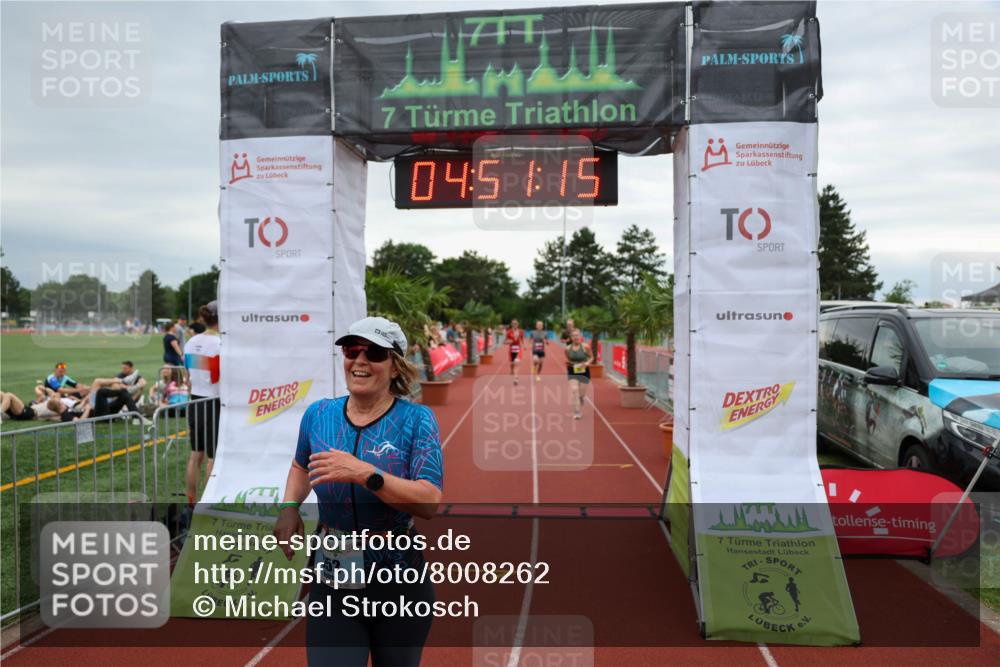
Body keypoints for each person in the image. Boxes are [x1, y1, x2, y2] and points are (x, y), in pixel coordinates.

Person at [273, 316, 443, 667]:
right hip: (334, 578)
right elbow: (301, 466)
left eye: (375, 353)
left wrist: (366, 474)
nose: (360, 361)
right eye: (352, 350)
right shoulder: (319, 414)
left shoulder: (417, 420)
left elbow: (429, 501)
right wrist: (289, 506)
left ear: (395, 365)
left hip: (399, 580)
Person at [183, 301, 221, 506]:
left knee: (195, 455)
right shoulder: (219, 343)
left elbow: (187, 378)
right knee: (213, 457)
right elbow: (220, 377)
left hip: (195, 400)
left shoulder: (191, 342)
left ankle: (191, 501)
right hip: (213, 402)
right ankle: (208, 503)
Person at [565, 329, 594, 419]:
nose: (575, 337)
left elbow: (592, 357)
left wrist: (587, 363)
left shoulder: (585, 347)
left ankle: (581, 398)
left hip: (584, 371)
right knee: (575, 390)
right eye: (573, 335)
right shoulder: (567, 348)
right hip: (572, 371)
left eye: (577, 335)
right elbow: (567, 359)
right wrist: (569, 363)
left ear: (580, 336)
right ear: (571, 337)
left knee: (581, 394)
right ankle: (577, 412)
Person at [505, 319, 525, 385]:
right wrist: (509, 342)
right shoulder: (509, 332)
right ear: (511, 324)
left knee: (517, 362)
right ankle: (511, 369)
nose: (515, 325)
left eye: (516, 323)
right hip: (511, 350)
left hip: (518, 349)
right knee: (512, 364)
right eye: (513, 323)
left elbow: (522, 339)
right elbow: (505, 341)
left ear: (518, 324)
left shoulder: (521, 331)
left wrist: (524, 345)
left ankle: (516, 378)